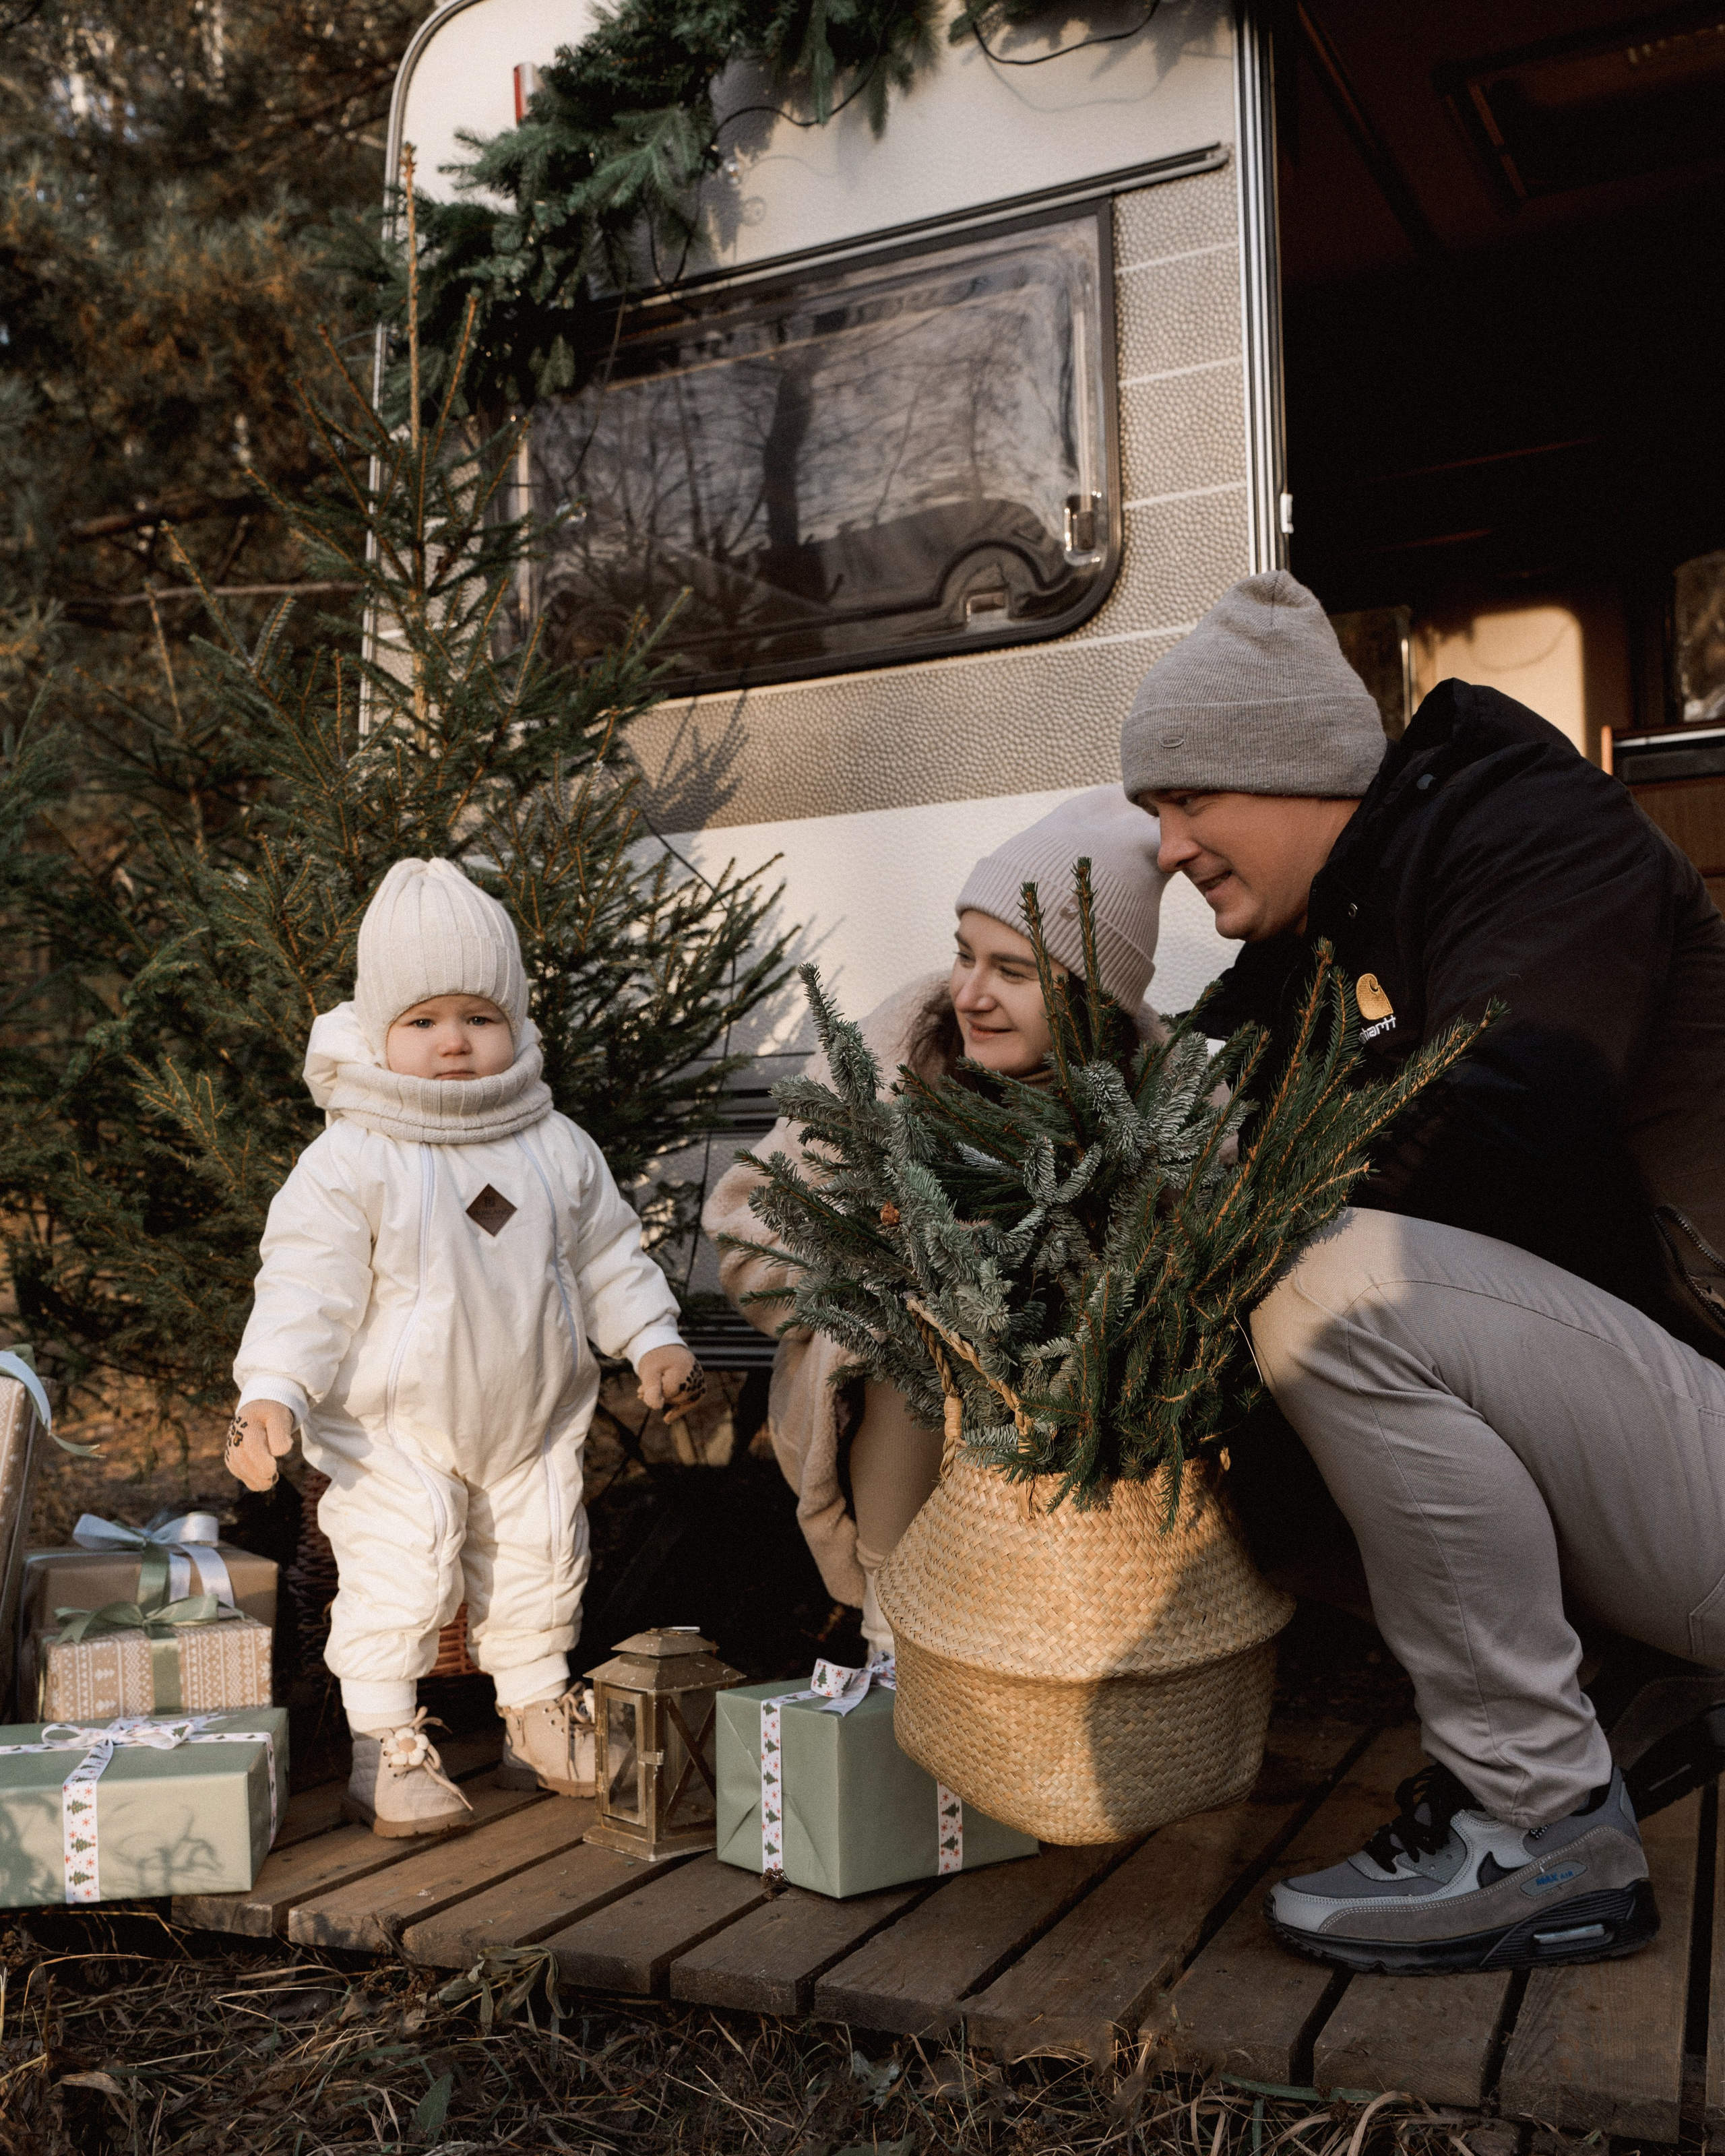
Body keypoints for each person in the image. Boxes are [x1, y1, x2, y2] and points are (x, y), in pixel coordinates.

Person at [1122, 569, 1725, 1974]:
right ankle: (1618, 1699)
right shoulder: (1332, 943)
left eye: (1180, 800)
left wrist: (1233, 1250)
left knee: (1336, 1284)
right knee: (1276, 1355)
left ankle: (1540, 1822)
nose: (1163, 847)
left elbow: (1506, 1093)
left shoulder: (1531, 837)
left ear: (1282, 770)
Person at [226, 858, 703, 1837]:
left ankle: (535, 1713)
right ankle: (385, 1742)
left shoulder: (554, 1143)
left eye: (479, 1019)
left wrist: (652, 1338)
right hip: (397, 1430)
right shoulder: (353, 1157)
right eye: (424, 1020)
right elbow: (304, 1287)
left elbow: (609, 1253)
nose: (453, 1043)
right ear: (376, 1030)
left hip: (528, 1421)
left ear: (517, 1025)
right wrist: (271, 1391)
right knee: (401, 1570)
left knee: (539, 1557)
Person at [703, 788, 1168, 1650]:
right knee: (914, 1351)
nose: (971, 993)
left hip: (1084, 1449)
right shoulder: (898, 1049)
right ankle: (893, 1634)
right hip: (909, 1421)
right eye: (965, 955)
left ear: (1098, 1000)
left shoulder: (1157, 1085)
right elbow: (744, 1229)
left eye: (1015, 972)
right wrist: (878, 1267)